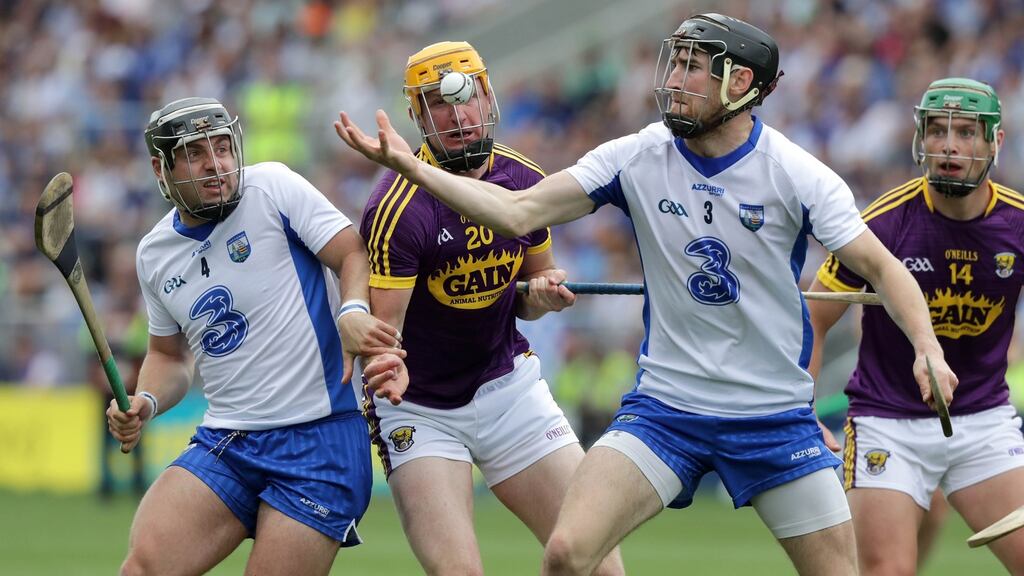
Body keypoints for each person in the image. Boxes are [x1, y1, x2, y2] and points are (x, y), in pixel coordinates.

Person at [337, 13, 958, 576]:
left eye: (693, 67)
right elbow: (518, 212)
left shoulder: (796, 174)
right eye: (675, 63)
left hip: (772, 416)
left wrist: (926, 346)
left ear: (741, 83)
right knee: (568, 553)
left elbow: (884, 269)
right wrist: (413, 167)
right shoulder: (637, 155)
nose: (673, 80)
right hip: (666, 410)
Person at [106, 96, 406, 576]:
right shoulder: (154, 253)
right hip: (227, 440)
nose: (215, 164)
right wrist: (147, 399)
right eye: (195, 154)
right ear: (161, 170)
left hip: (319, 440)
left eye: (222, 147)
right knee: (141, 570)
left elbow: (353, 251)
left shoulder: (271, 187)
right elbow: (168, 355)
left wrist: (352, 309)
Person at [356, 41, 623, 575]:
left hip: (508, 390)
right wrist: (386, 365)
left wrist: (541, 298)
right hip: (421, 408)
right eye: (437, 103)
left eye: (465, 97)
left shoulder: (523, 180)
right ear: (418, 116)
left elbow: (531, 293)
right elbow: (385, 337)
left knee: (595, 563)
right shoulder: (396, 208)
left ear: (488, 97)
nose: (456, 114)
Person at [808, 78, 1024, 574]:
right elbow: (815, 316)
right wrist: (802, 408)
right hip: (888, 422)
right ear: (919, 138)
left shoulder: (1017, 223)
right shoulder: (885, 222)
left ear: (996, 141)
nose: (949, 145)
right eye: (936, 131)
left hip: (984, 420)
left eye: (966, 132)